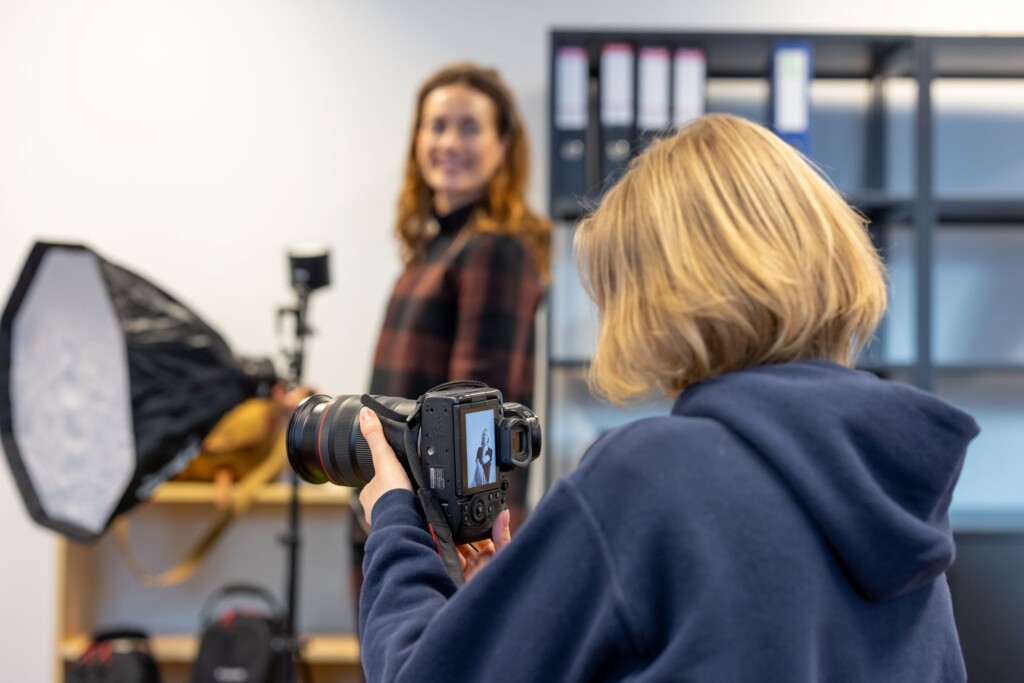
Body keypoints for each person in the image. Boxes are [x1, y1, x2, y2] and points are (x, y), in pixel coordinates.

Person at [353, 113, 980, 682]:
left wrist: (396, 525)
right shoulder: (900, 493)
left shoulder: (653, 475)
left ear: (657, 299)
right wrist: (518, 610)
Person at [348, 62, 550, 609]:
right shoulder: (430, 253)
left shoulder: (496, 251)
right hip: (402, 521)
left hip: (445, 541)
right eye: (437, 126)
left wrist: (441, 549)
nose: (449, 142)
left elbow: (474, 433)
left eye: (469, 127)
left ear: (503, 144)